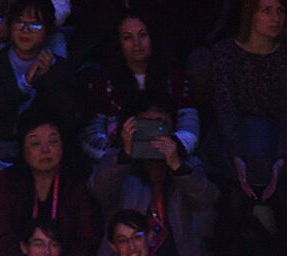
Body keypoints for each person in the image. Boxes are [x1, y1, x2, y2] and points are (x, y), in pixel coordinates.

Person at [89, 100, 219, 256]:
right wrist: (126, 155)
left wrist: (177, 165)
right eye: (146, 125)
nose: (153, 132)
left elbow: (205, 199)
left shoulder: (188, 164)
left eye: (161, 126)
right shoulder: (118, 161)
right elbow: (98, 189)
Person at [211, 0, 287, 256]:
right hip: (235, 143)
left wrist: (280, 162)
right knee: (233, 202)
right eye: (267, 10)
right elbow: (225, 109)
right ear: (250, 15)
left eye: (280, 11)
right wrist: (237, 158)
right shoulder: (226, 54)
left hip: (278, 145)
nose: (275, 18)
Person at [0, 114, 101, 256]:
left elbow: (86, 240)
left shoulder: (79, 184)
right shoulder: (5, 184)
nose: (45, 150)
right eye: (35, 143)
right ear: (22, 148)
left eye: (53, 142)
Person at [0, 1, 83, 158]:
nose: (25, 30)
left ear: (47, 31)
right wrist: (22, 85)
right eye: (20, 22)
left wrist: (48, 80)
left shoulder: (60, 68)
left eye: (35, 24)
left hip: (42, 154)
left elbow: (68, 120)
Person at [80, 7, 199, 162]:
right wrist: (123, 152)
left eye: (142, 35)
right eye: (128, 37)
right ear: (118, 42)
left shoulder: (173, 76)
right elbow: (91, 132)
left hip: (169, 156)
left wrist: (174, 147)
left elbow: (189, 123)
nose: (137, 43)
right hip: (121, 159)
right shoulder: (102, 80)